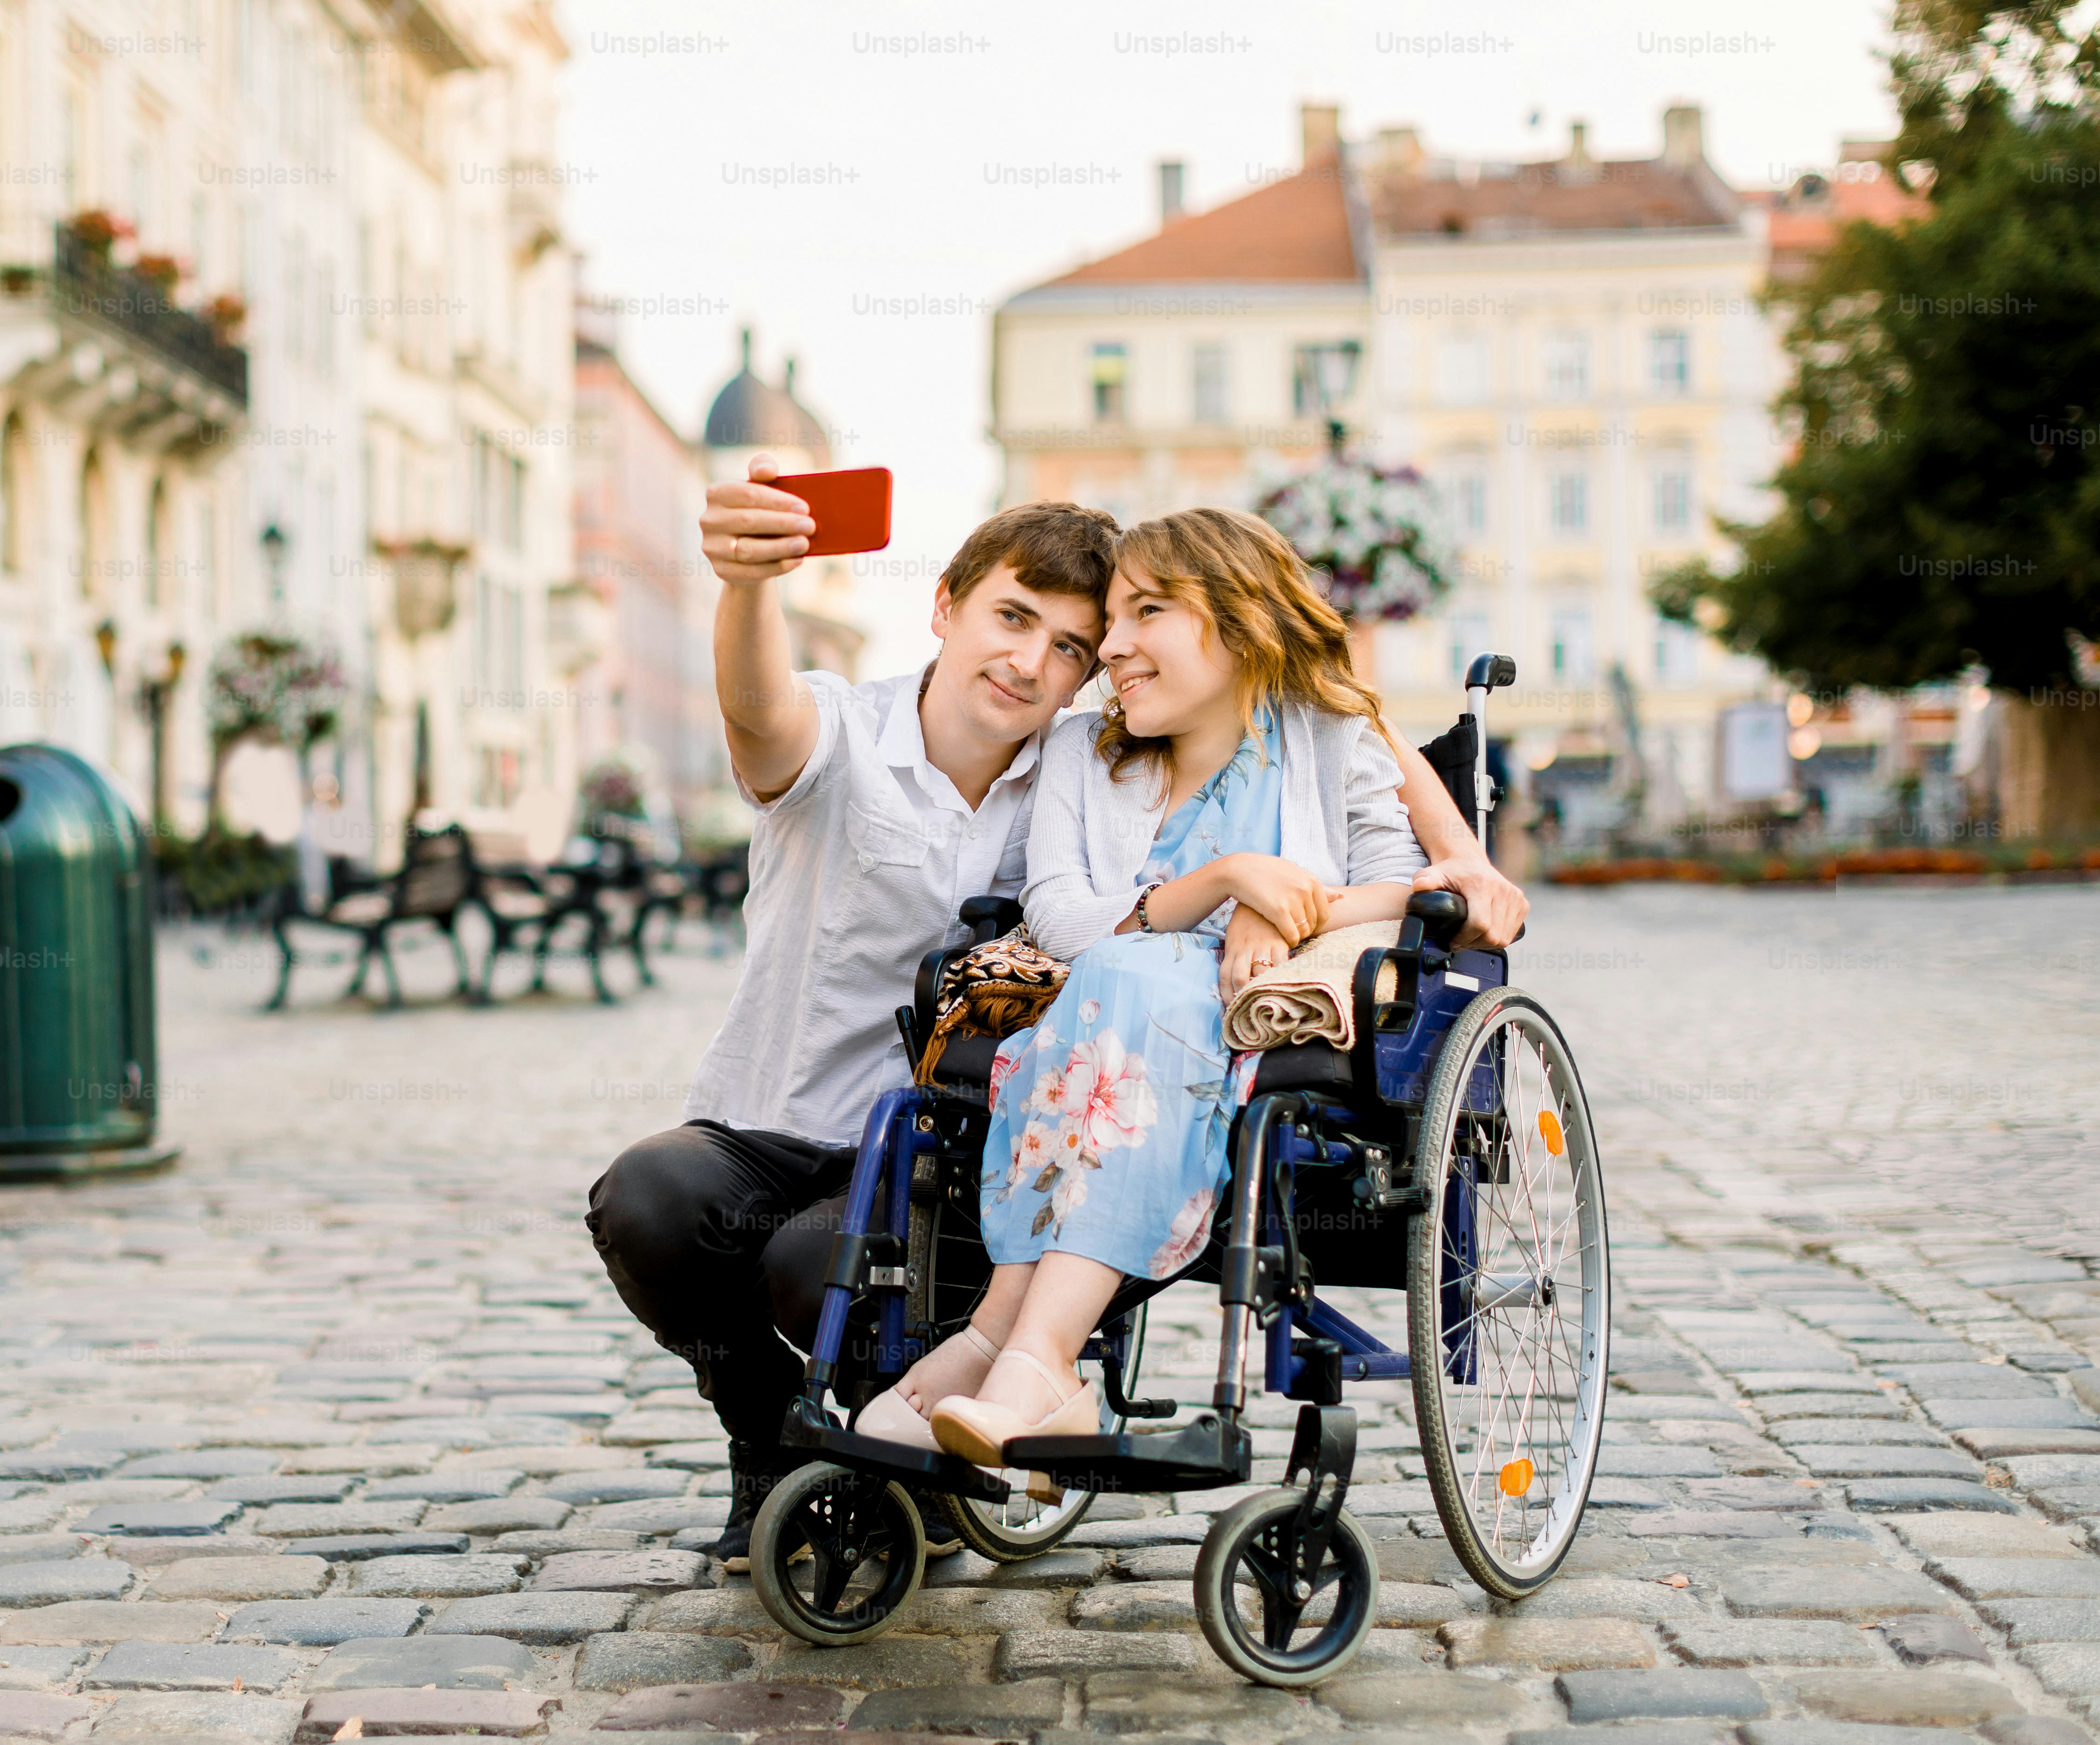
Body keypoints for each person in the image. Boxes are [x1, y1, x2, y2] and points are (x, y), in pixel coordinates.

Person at [588, 466, 1528, 1569]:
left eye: (1080, 643)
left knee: (829, 1258)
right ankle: (771, 1439)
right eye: (1013, 618)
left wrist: (1454, 856)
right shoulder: (898, 737)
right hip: (795, 1109)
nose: (1042, 662)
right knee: (653, 1198)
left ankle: (951, 1406)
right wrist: (749, 588)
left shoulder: (1102, 745)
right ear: (945, 605)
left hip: (974, 1131)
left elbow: (1333, 737)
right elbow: (760, 717)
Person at [839, 508, 1420, 1466]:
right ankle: (1021, 1351)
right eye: (1109, 622)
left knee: (1129, 980)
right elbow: (1059, 912)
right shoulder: (1083, 752)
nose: (1110, 648)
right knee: (1114, 976)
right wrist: (1223, 878)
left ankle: (1019, 1349)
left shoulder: (1327, 737)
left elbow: (1400, 886)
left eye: (1144, 613)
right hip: (1096, 1021)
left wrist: (1284, 909)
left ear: (1237, 619)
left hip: (1246, 1029)